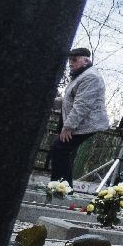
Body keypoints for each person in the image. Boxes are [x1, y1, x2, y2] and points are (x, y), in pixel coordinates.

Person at [50, 47, 111, 186]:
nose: (71, 63)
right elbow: (68, 99)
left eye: (74, 60)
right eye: (70, 60)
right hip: (81, 122)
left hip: (87, 123)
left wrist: (68, 126)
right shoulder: (80, 75)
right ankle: (61, 187)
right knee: (62, 151)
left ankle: (60, 188)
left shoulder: (90, 76)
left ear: (86, 60)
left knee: (59, 149)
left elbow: (82, 104)